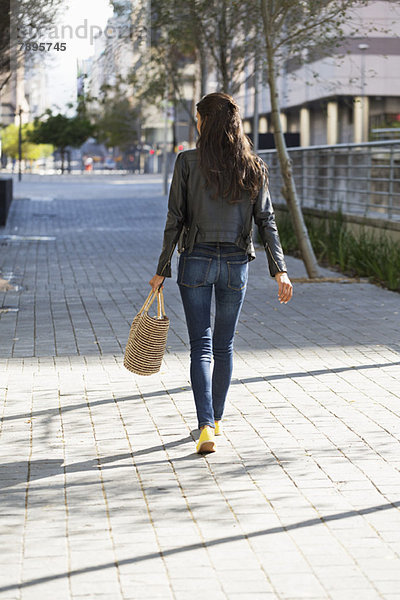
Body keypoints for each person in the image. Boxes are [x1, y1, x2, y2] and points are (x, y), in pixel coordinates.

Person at [149, 92, 293, 454]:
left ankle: (205, 425)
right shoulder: (253, 166)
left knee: (202, 345)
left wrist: (162, 269)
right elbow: (267, 222)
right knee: (225, 346)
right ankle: (215, 420)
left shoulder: (186, 162)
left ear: (205, 122)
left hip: (195, 261)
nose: (196, 124)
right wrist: (281, 271)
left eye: (198, 119)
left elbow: (175, 219)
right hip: (235, 264)